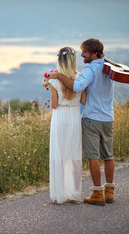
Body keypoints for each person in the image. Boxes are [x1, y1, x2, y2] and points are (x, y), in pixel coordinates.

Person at [49, 38, 116, 206]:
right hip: (108, 117)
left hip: (92, 117)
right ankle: (110, 191)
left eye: (85, 52)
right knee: (108, 155)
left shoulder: (89, 70)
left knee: (93, 156)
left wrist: (58, 75)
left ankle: (97, 193)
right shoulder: (108, 67)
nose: (82, 55)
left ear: (94, 53)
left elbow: (78, 87)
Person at [48, 46, 86, 205]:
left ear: (59, 61)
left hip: (60, 116)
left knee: (60, 154)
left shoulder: (54, 80)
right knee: (74, 154)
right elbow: (83, 101)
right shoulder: (80, 78)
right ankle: (74, 194)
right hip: (74, 115)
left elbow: (54, 105)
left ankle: (60, 194)